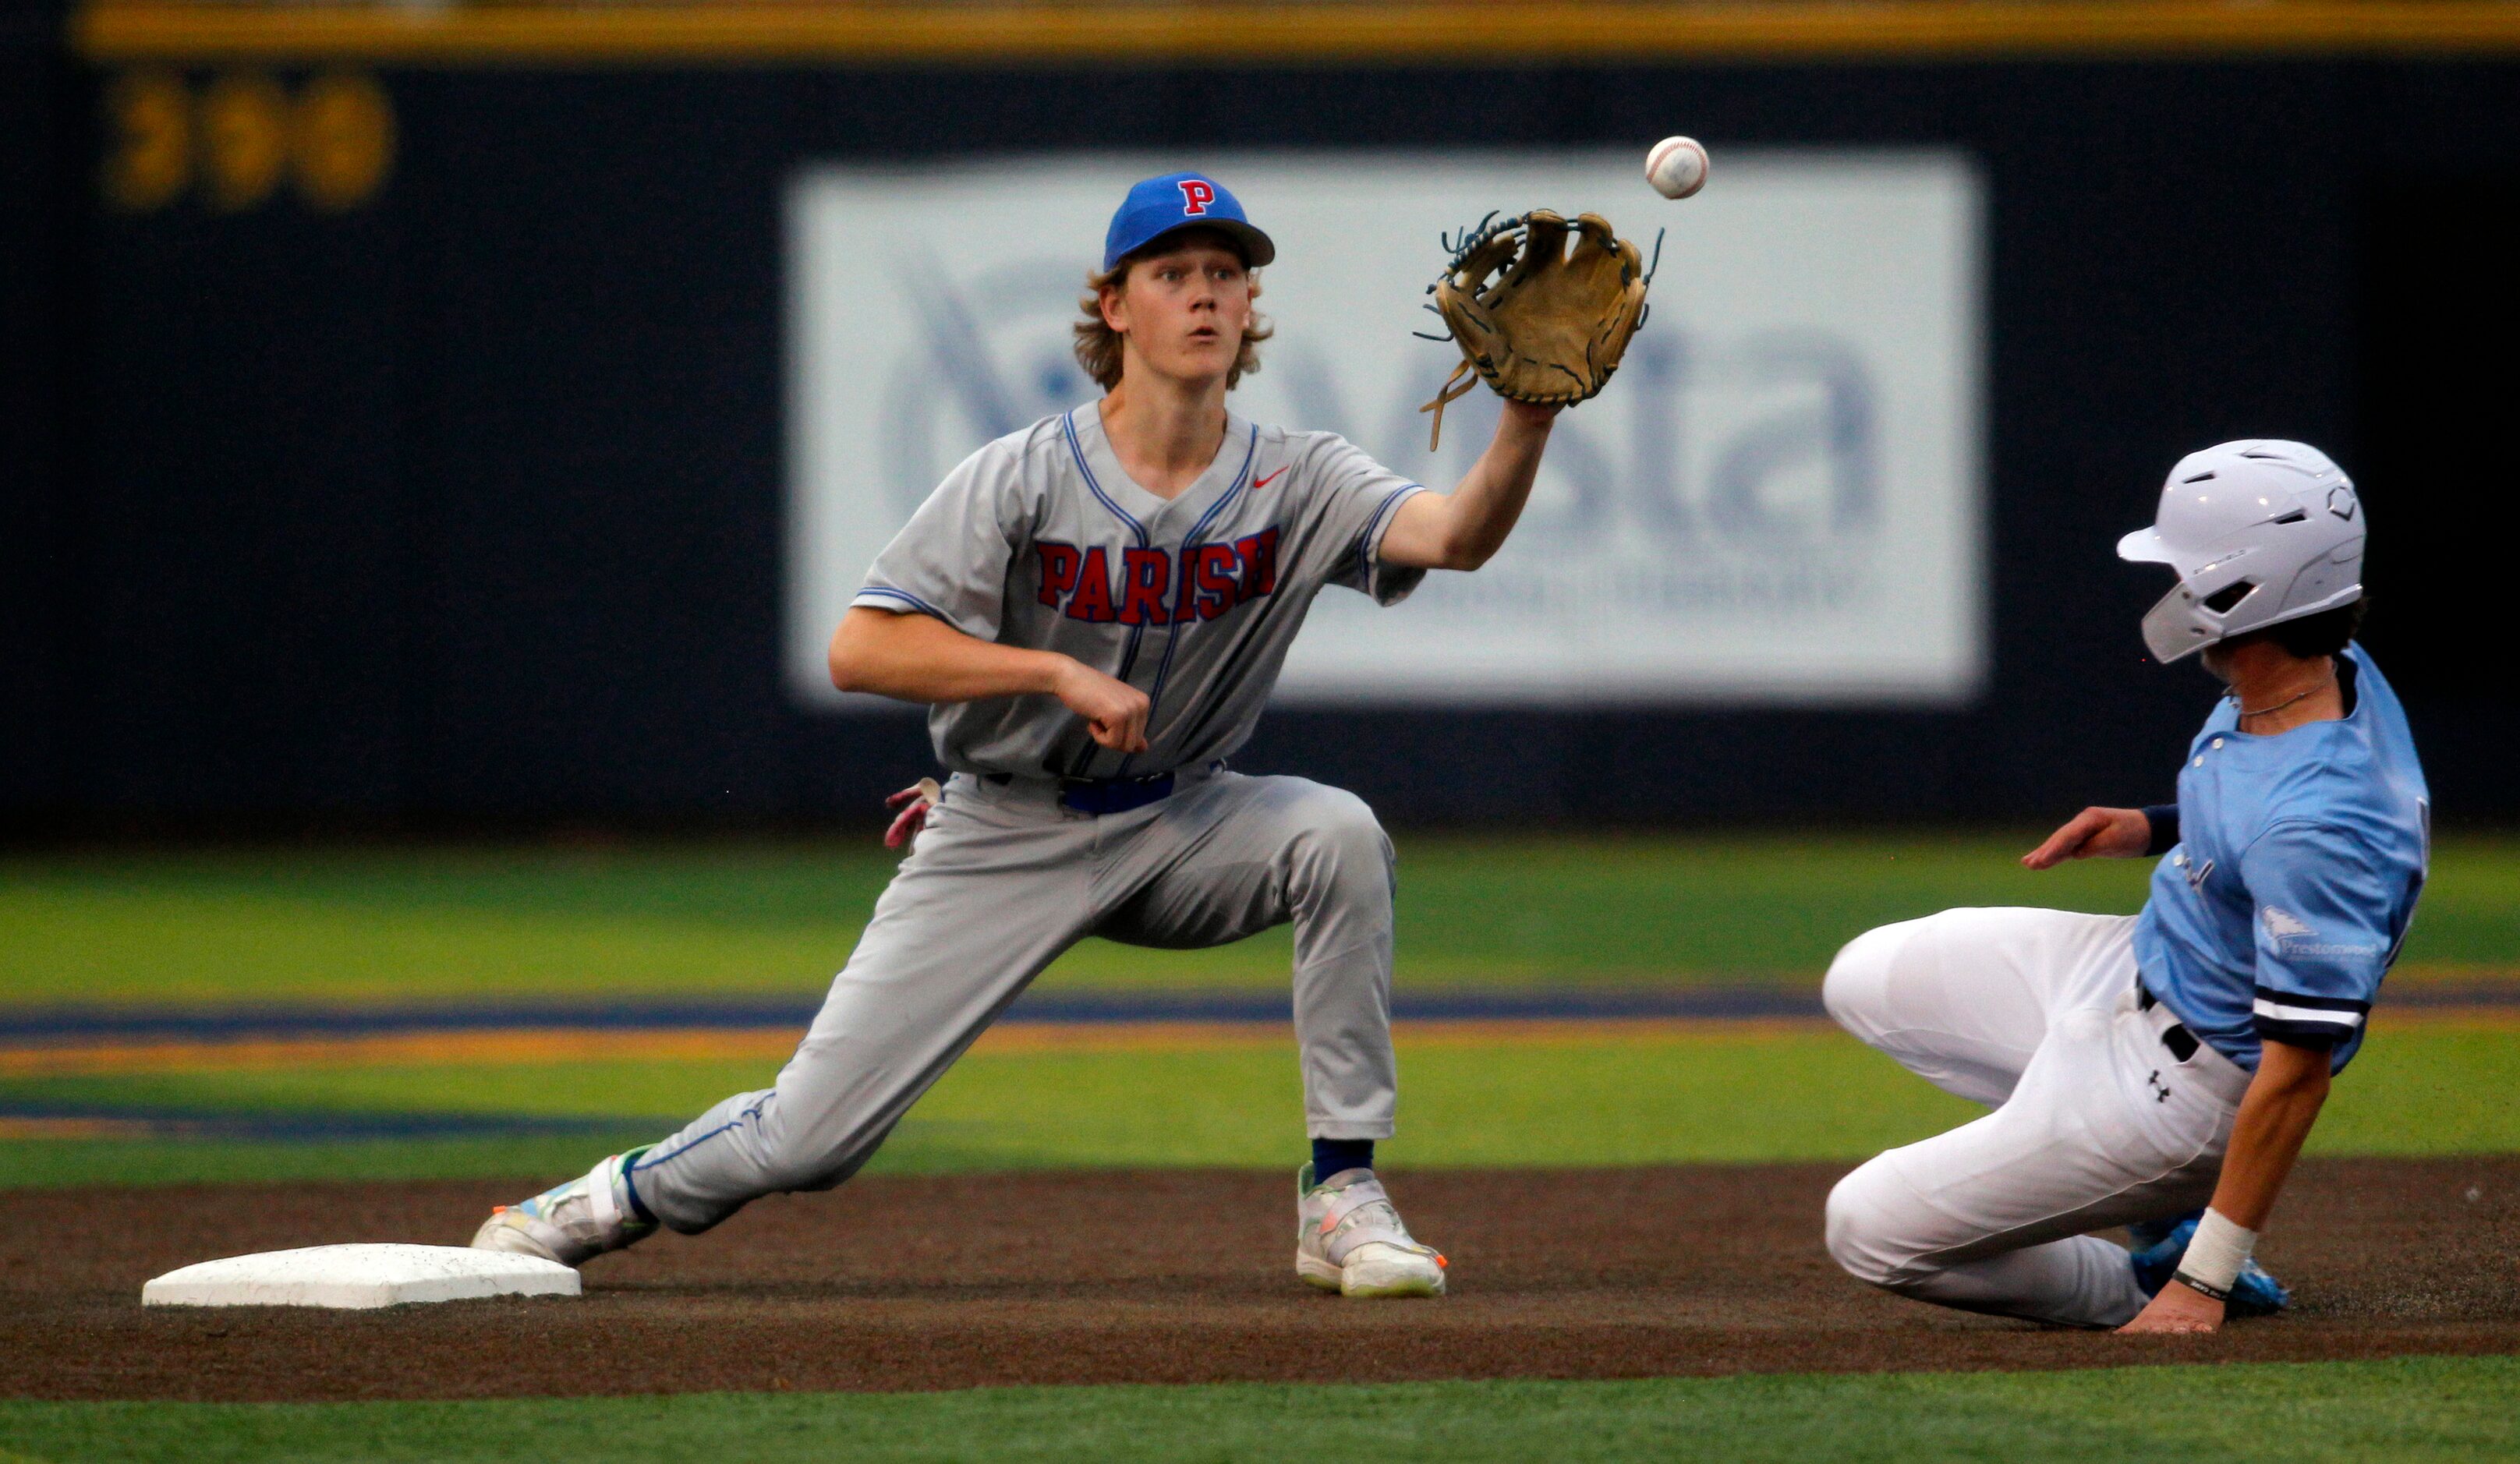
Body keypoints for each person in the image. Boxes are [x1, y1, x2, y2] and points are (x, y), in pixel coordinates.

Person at [473, 171, 1569, 1299]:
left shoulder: (1302, 476)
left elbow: (1457, 535)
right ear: (1115, 307)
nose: (1204, 296)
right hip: (1006, 824)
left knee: (1337, 834)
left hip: (1184, 817)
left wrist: (1526, 420)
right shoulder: (1024, 473)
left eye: (1226, 275)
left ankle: (1341, 1191)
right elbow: (861, 648)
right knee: (811, 1139)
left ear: (1249, 309)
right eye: (1173, 273)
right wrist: (1049, 672)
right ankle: (594, 1200)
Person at [1819, 439, 2427, 1332]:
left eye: (2185, 570)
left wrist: (2206, 1281)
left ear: (2241, 591)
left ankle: (2148, 1277)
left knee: (1866, 1228)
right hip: (2126, 966)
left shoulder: (2323, 825)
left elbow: (2297, 1074)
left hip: (2184, 1091)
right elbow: (2267, 815)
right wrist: (2152, 825)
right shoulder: (2330, 671)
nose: (2170, 589)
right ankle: (2088, 1163)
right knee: (1861, 977)